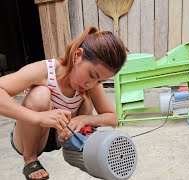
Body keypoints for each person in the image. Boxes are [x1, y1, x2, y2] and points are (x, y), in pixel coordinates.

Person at [0, 26, 127, 179]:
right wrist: (38, 117)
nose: (92, 84)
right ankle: (30, 159)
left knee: (86, 100)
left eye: (100, 80)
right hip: (30, 136)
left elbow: (112, 118)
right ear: (77, 56)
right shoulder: (46, 70)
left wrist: (84, 119)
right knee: (40, 94)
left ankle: (79, 145)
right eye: (92, 75)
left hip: (61, 137)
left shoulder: (91, 84)